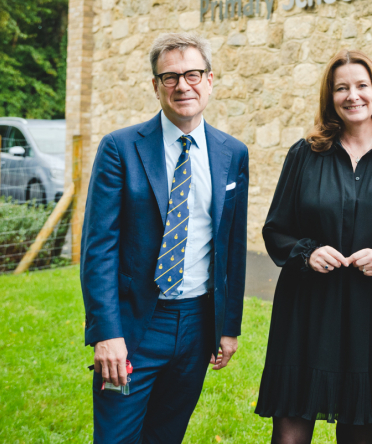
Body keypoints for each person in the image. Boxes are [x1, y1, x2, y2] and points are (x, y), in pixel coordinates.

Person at [255, 50, 372, 444]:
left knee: (356, 431)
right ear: (330, 97)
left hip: (370, 311)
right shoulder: (305, 155)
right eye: (342, 88)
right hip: (307, 308)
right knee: (289, 436)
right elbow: (276, 229)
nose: (353, 96)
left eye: (361, 86)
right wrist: (307, 252)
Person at [80, 32, 249, 443]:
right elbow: (98, 246)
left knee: (166, 436)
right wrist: (106, 333)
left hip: (196, 326)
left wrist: (229, 327)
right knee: (117, 436)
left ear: (210, 80)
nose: (182, 85)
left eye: (192, 74)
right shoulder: (120, 148)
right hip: (135, 327)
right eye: (170, 77)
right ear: (155, 86)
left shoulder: (233, 153)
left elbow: (232, 246)